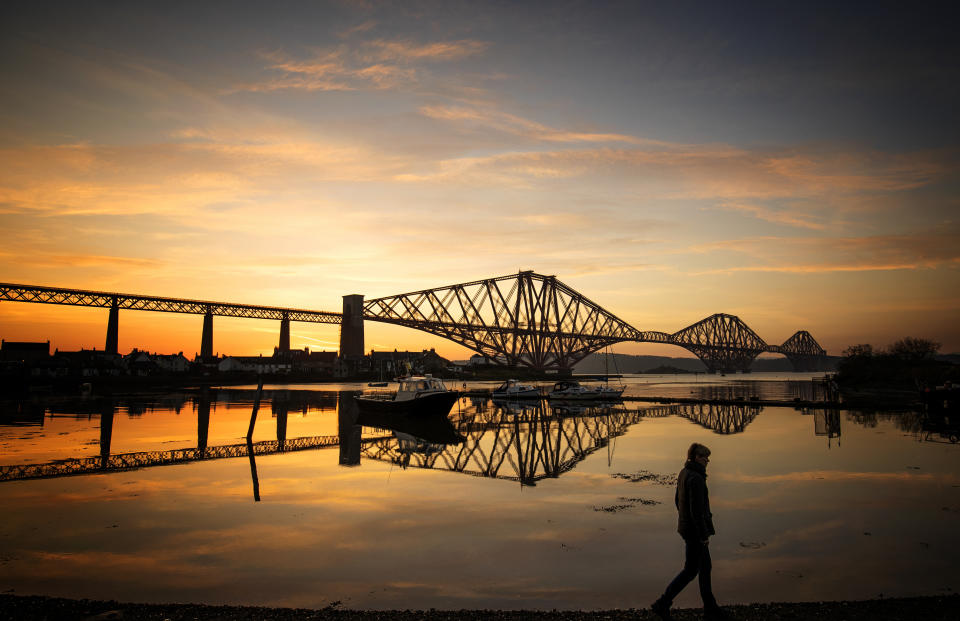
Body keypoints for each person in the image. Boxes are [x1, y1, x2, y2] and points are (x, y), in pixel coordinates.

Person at [651, 443, 726, 620]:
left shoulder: (684, 473)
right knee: (691, 570)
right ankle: (662, 603)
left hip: (686, 527)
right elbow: (697, 512)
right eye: (704, 457)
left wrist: (684, 519)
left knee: (704, 568)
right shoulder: (697, 479)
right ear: (695, 457)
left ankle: (710, 607)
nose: (708, 460)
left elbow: (678, 500)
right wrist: (703, 536)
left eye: (707, 457)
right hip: (695, 532)